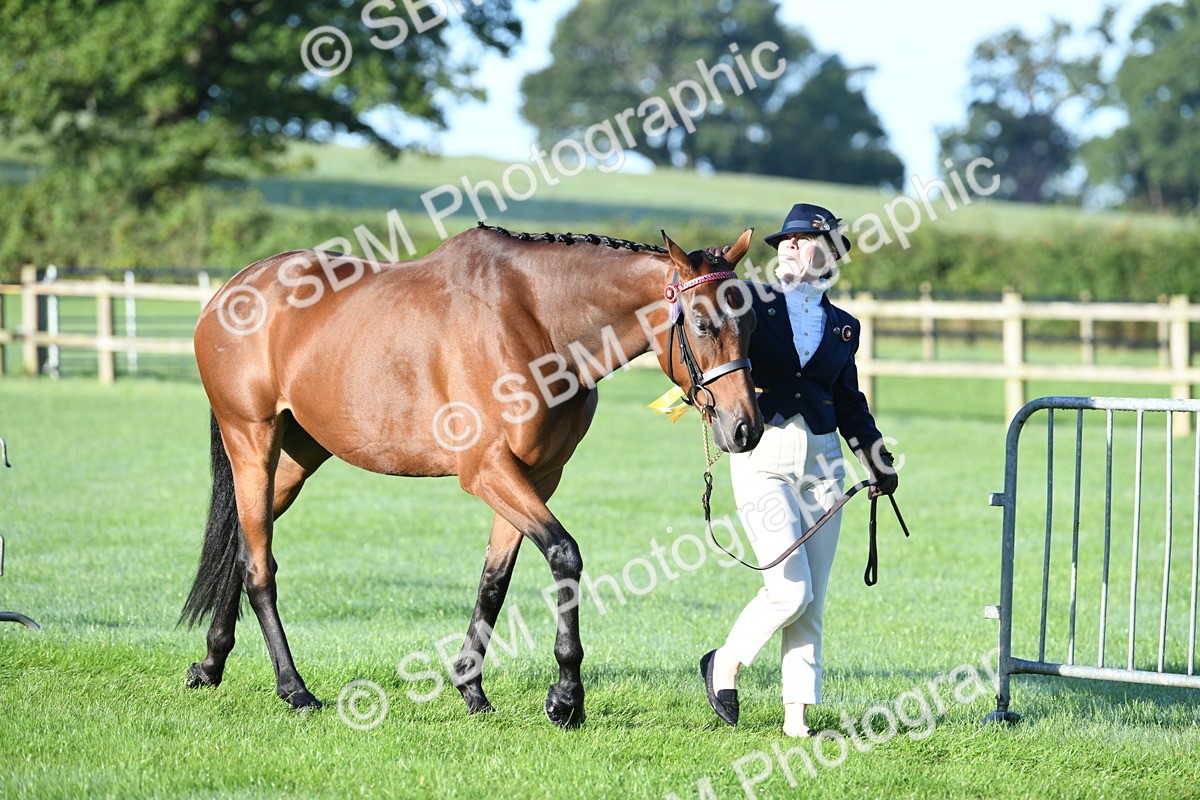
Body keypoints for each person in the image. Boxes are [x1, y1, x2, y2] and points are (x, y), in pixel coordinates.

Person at [699, 202, 898, 737]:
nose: (788, 245)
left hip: (826, 465)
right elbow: (704, 311)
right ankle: (725, 662)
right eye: (785, 240)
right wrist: (713, 265)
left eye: (802, 239)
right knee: (789, 590)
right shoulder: (750, 304)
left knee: (813, 602)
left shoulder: (845, 327)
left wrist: (875, 457)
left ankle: (796, 718)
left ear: (829, 255)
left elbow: (849, 400)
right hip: (763, 457)